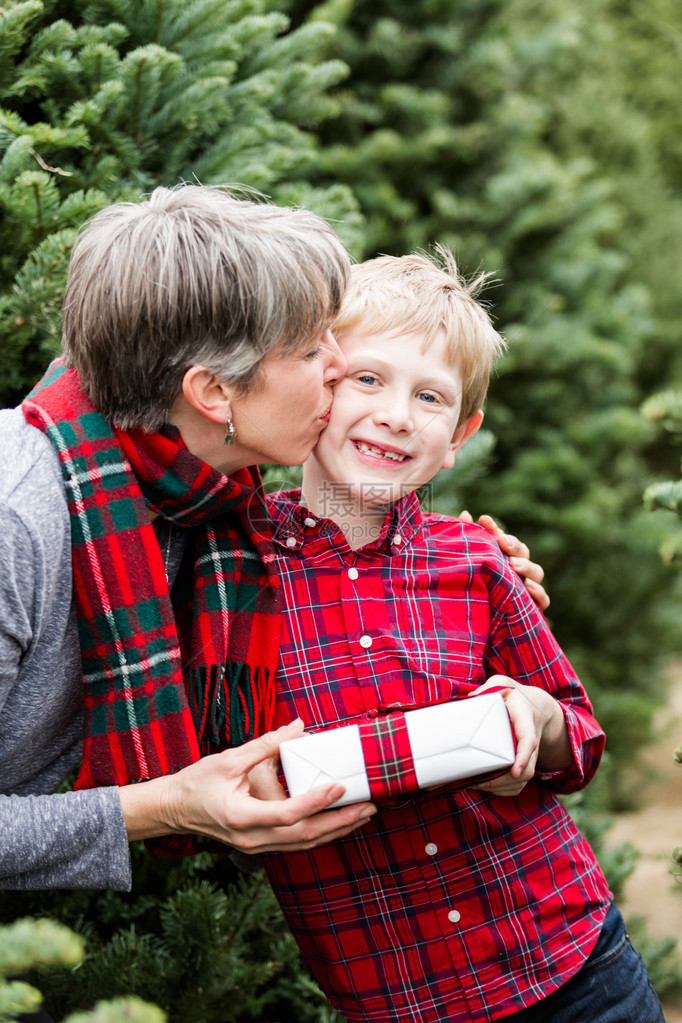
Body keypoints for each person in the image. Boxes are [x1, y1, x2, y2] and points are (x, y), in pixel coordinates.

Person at [260, 252, 664, 1022]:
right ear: (317, 387)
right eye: (368, 379)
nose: (397, 415)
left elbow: (579, 737)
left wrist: (536, 722)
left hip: (571, 963)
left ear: (459, 435)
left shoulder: (475, 560)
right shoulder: (235, 568)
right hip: (394, 991)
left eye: (431, 397)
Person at [0, 183, 381, 891]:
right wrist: (168, 805)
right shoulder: (16, 519)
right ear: (213, 394)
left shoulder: (197, 494)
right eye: (307, 348)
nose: (340, 362)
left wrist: (477, 571)